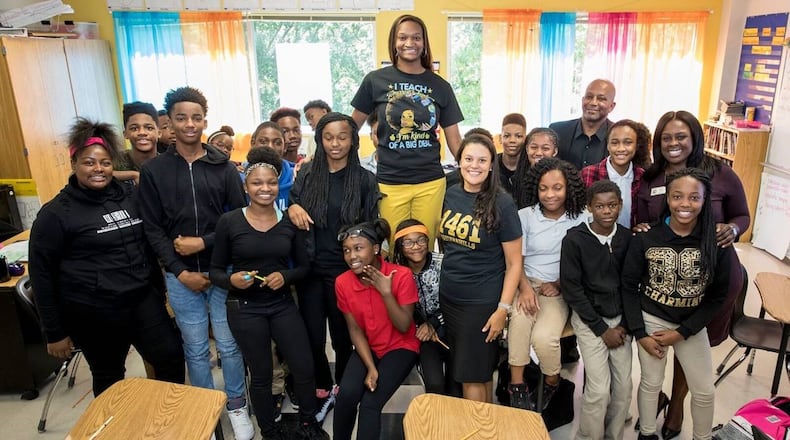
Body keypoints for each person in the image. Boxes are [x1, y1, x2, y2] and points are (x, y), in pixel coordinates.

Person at [28, 118, 184, 397]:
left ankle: (170, 422)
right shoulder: (55, 214)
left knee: (170, 357)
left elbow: (147, 246)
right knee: (110, 377)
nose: (98, 169)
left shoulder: (130, 198)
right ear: (74, 163)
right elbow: (42, 276)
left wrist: (157, 293)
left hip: (141, 301)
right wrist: (54, 332)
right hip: (94, 312)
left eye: (105, 162)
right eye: (89, 162)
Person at [137, 86, 253, 440]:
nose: (189, 124)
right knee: (196, 347)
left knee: (230, 344)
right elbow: (153, 228)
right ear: (168, 123)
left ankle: (236, 405)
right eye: (181, 118)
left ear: (205, 118)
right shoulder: (155, 171)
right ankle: (203, 408)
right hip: (180, 276)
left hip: (222, 271)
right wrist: (180, 270)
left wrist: (205, 244)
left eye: (196, 117)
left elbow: (240, 220)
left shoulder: (224, 168)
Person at [633, 110, 749, 439]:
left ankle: (678, 407)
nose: (673, 143)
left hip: (712, 279)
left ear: (694, 138)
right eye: (666, 137)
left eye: (681, 136)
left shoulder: (720, 172)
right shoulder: (650, 177)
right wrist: (641, 228)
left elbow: (742, 214)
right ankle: (656, 400)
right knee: (659, 347)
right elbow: (642, 222)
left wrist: (734, 228)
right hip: (663, 279)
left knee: (690, 341)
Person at [210, 147, 329, 440]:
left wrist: (285, 276)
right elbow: (214, 272)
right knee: (261, 374)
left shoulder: (290, 220)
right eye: (257, 183)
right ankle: (270, 430)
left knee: (303, 366)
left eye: (271, 183)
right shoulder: (230, 222)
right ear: (245, 187)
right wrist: (232, 279)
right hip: (245, 306)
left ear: (279, 185)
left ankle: (307, 424)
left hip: (281, 304)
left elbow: (303, 266)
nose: (265, 189)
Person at [624, 168, 732, 440]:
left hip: (691, 325)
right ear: (668, 199)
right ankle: (647, 433)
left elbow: (717, 297)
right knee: (651, 382)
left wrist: (682, 332)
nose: (685, 204)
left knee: (704, 390)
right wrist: (640, 334)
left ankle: (702, 437)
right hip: (652, 322)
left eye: (694, 198)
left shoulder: (717, 242)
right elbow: (628, 287)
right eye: (677, 196)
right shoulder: (646, 237)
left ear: (705, 200)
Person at [288, 112, 380, 420]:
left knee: (343, 337)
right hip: (311, 268)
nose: (335, 143)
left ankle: (342, 384)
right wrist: (295, 206)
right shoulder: (308, 173)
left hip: (345, 272)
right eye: (328, 137)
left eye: (342, 137)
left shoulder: (364, 178)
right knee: (312, 335)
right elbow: (292, 206)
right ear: (319, 139)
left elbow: (371, 226)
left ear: (353, 140)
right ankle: (322, 386)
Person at [351, 14, 464, 246]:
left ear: (424, 43)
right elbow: (350, 128)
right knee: (395, 248)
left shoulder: (440, 86)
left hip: (430, 182)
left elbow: (454, 140)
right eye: (403, 37)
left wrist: (476, 168)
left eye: (416, 38)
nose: (409, 43)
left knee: (423, 247)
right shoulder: (375, 80)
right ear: (394, 41)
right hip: (390, 182)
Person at [438, 134, 522, 403]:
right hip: (450, 298)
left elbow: (514, 263)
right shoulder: (450, 194)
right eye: (469, 159)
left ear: (491, 165)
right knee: (477, 374)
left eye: (482, 160)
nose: (474, 165)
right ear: (459, 161)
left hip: (481, 304)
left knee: (471, 377)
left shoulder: (503, 203)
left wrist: (503, 309)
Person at [507, 157, 587, 410]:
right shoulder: (524, 216)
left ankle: (552, 381)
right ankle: (517, 387)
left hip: (560, 288)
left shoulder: (583, 217)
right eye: (543, 188)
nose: (550, 195)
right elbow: (514, 259)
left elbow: (587, 261)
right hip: (526, 281)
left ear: (568, 189)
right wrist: (525, 288)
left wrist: (561, 283)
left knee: (544, 338)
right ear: (535, 189)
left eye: (557, 188)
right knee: (519, 323)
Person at [333, 219, 420, 440]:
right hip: (369, 346)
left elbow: (403, 326)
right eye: (347, 251)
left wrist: (386, 292)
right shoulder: (342, 283)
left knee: (370, 404)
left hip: (400, 346)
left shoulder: (400, 275)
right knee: (346, 396)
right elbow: (354, 330)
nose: (352, 256)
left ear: (375, 248)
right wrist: (371, 367)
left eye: (358, 248)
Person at [561, 180, 632, 440]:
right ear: (589, 207)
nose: (606, 211)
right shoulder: (575, 240)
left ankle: (612, 436)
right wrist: (602, 329)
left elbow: (631, 285)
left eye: (612, 205)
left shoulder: (626, 238)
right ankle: (588, 437)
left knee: (624, 387)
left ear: (620, 205)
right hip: (589, 320)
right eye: (599, 206)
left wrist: (623, 325)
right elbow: (573, 290)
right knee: (599, 389)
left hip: (621, 322)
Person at [391, 219, 460, 396]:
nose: (416, 246)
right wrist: (422, 326)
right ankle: (435, 421)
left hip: (452, 327)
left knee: (456, 385)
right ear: (400, 245)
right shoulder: (396, 273)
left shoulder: (443, 263)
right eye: (408, 242)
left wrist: (434, 322)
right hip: (422, 335)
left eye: (421, 240)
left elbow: (455, 301)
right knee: (435, 384)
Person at [580, 119, 651, 228]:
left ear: (636, 146)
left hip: (630, 240)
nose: (621, 148)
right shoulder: (588, 174)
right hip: (595, 239)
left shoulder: (643, 176)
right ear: (607, 145)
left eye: (628, 142)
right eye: (614, 143)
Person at [550, 79, 617, 170]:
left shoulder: (618, 136)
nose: (593, 103)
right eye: (589, 97)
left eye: (601, 99)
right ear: (582, 100)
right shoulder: (557, 131)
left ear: (611, 106)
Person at [250, 121, 293, 211]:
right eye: (263, 141)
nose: (270, 147)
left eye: (277, 143)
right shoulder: (239, 177)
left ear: (285, 147)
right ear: (253, 143)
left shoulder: (297, 176)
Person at [512, 127, 560, 207]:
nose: (539, 153)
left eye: (545, 148)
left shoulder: (562, 179)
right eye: (534, 147)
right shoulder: (515, 179)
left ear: (555, 151)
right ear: (527, 149)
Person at [115, 101, 160, 186]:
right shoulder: (115, 160)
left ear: (159, 133)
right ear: (125, 134)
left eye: (149, 128)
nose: (142, 132)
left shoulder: (168, 163)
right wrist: (133, 175)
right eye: (134, 128)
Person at [498, 113, 527, 195]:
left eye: (518, 136)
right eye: (507, 136)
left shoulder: (531, 166)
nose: (512, 140)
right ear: (500, 138)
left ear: (525, 138)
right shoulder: (491, 163)